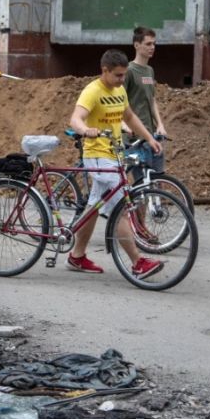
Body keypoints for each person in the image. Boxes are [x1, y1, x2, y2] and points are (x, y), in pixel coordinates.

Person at [66, 49, 164, 278]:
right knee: (120, 209)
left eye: (124, 75)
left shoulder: (119, 90)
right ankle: (138, 262)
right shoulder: (92, 91)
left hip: (115, 155)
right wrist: (85, 130)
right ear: (105, 71)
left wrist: (149, 138)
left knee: (94, 207)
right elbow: (75, 118)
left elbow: (128, 117)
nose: (122, 80)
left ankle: (76, 255)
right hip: (98, 156)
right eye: (118, 75)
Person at [124, 26, 167, 177]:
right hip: (135, 140)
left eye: (154, 44)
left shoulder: (149, 70)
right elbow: (120, 102)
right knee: (140, 185)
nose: (152, 47)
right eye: (148, 44)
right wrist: (125, 126)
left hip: (152, 135)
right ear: (137, 45)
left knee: (157, 182)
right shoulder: (128, 71)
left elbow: (152, 99)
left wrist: (160, 124)